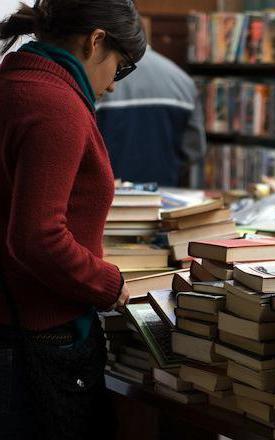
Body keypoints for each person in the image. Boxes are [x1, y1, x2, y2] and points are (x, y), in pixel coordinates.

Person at [0, 0, 145, 438]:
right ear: (96, 40)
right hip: (39, 338)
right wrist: (107, 283)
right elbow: (37, 236)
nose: (114, 86)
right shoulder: (56, 105)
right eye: (119, 68)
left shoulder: (13, 85)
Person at [96, 45, 207, 188]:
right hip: (164, 195)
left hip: (112, 196)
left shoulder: (100, 80)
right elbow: (194, 149)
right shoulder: (182, 81)